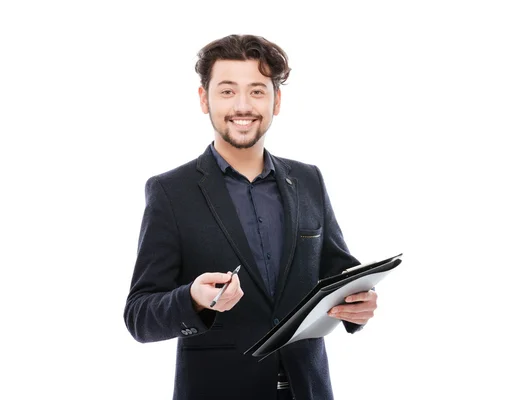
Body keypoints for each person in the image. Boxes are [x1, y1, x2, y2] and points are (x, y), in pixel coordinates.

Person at [124, 34, 378, 400]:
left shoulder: (309, 180)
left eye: (257, 91)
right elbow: (139, 316)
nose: (243, 105)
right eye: (227, 91)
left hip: (307, 390)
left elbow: (338, 276)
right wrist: (192, 300)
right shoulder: (170, 192)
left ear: (277, 101)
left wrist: (359, 303)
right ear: (203, 99)